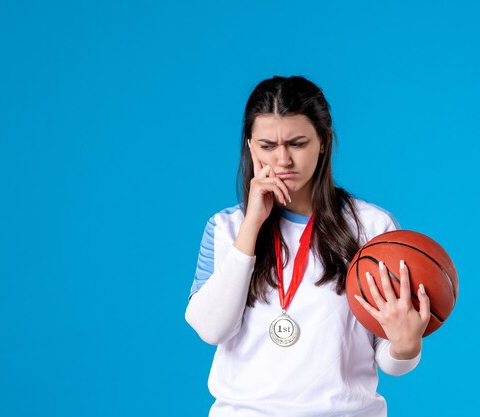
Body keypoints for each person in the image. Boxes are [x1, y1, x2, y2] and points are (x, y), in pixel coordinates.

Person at [184, 75, 431, 417]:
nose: (282, 160)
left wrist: (406, 345)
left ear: (324, 142)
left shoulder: (373, 227)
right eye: (267, 146)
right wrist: (252, 225)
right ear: (250, 146)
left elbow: (390, 361)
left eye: (297, 143)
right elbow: (212, 329)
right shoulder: (226, 227)